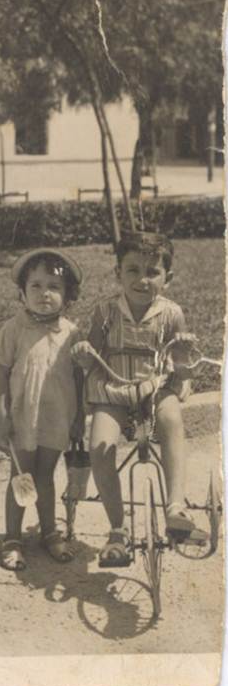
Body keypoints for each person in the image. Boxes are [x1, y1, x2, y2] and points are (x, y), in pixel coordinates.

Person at [72, 231, 207, 567]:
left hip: (155, 387)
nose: (142, 280)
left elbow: (180, 363)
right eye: (132, 270)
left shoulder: (171, 313)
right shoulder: (105, 311)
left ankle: (175, 507)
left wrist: (183, 357)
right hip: (113, 388)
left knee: (171, 419)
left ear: (167, 278)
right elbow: (91, 356)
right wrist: (84, 352)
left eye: (152, 272)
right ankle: (117, 530)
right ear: (118, 272)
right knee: (100, 445)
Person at [0, 248, 84, 570]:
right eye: (36, 285)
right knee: (21, 476)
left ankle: (49, 532)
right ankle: (12, 538)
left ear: (68, 296)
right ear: (22, 291)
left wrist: (80, 418)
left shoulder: (72, 334)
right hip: (22, 418)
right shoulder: (13, 330)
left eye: (54, 287)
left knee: (45, 476)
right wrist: (1, 416)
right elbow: (0, 376)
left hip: (56, 417)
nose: (45, 293)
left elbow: (79, 378)